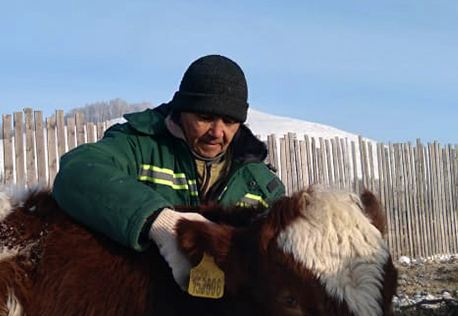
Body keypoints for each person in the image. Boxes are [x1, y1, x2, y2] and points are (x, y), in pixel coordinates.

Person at [53, 54, 286, 291]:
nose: (217, 131)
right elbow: (77, 171)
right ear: (182, 109)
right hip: (138, 310)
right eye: (204, 117)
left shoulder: (261, 187)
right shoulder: (140, 146)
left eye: (229, 121)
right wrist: (156, 220)